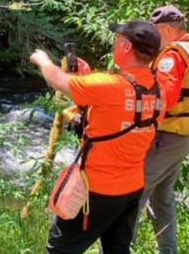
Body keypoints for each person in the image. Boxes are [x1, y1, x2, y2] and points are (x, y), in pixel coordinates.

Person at [30, 20, 166, 254]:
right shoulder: (158, 89)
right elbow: (122, 109)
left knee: (60, 250)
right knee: (117, 249)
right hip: (132, 188)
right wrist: (88, 76)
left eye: (118, 40)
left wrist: (43, 60)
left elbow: (58, 80)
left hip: (96, 189)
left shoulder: (108, 85)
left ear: (126, 46)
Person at [134, 5, 189, 253]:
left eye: (155, 31)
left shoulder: (173, 57)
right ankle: (168, 250)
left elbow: (162, 100)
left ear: (169, 29)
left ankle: (119, 247)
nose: (153, 37)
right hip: (187, 134)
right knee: (163, 196)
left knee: (134, 195)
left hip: (168, 136)